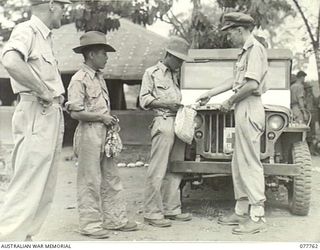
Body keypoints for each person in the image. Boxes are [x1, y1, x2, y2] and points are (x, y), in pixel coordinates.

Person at [0, 0, 70, 241]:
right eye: (63, 5)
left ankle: (25, 239)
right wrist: (43, 90)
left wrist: (55, 97)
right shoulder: (27, 30)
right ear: (51, 4)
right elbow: (9, 61)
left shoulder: (45, 38)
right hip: (36, 110)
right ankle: (8, 240)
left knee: (44, 185)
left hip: (49, 112)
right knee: (27, 182)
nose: (65, 10)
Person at [197, 12, 268, 235]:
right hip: (242, 107)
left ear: (240, 30)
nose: (228, 37)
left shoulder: (255, 49)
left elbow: (251, 84)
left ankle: (257, 215)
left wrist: (228, 101)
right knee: (239, 162)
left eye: (230, 33)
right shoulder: (245, 52)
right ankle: (240, 210)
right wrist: (211, 93)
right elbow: (236, 81)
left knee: (249, 161)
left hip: (249, 106)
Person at [66, 31, 138, 239]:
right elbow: (75, 112)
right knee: (90, 180)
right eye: (103, 53)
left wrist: (107, 120)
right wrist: (101, 117)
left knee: (111, 177)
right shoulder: (78, 79)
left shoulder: (99, 77)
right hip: (89, 133)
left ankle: (115, 219)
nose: (106, 57)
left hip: (103, 132)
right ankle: (89, 225)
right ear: (91, 55)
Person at [139, 36, 192, 227]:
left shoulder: (175, 75)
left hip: (178, 123)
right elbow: (144, 100)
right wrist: (167, 103)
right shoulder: (151, 73)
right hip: (162, 121)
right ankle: (152, 212)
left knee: (176, 168)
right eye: (178, 59)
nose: (180, 63)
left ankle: (171, 208)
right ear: (168, 55)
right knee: (158, 168)